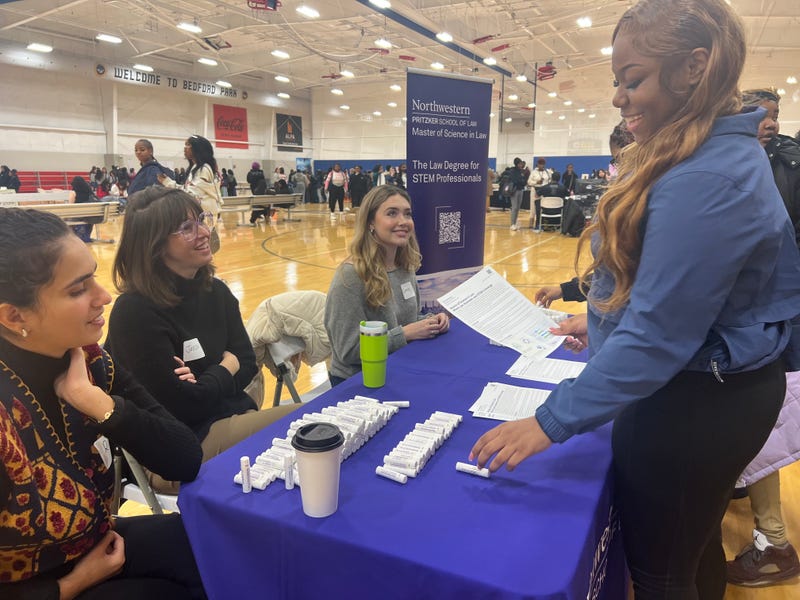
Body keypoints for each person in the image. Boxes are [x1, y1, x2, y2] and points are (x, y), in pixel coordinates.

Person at [470, 1, 800, 598]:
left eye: (634, 79)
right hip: (711, 388)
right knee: (692, 548)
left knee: (661, 572)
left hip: (695, 404)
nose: (619, 97)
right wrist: (599, 320)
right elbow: (686, 293)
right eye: (617, 81)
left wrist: (548, 422)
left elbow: (658, 336)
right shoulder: (708, 154)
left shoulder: (707, 176)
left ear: (694, 67)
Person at [0, 208, 205, 600]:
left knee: (214, 546)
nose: (104, 296)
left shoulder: (89, 359)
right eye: (78, 290)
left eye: (93, 277)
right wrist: (70, 584)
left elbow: (185, 457)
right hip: (36, 586)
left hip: (93, 541)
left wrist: (99, 404)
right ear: (13, 316)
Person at [106, 187, 297, 492]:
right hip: (177, 450)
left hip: (226, 417)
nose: (205, 232)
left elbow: (247, 362)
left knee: (313, 433)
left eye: (201, 220)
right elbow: (182, 407)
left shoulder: (216, 291)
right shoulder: (135, 312)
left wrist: (204, 384)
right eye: (187, 228)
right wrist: (224, 367)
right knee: (306, 422)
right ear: (155, 245)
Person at [724, 88, 800, 587]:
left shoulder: (785, 166)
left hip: (773, 319)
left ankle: (775, 543)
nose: (768, 123)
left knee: (766, 422)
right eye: (759, 115)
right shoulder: (739, 163)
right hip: (758, 317)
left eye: (773, 116)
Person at [324, 185, 450, 387]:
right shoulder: (350, 276)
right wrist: (406, 334)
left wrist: (431, 322)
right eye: (392, 213)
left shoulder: (405, 268)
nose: (403, 221)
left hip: (400, 367)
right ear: (370, 222)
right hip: (359, 381)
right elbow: (348, 351)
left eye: (407, 214)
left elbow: (407, 320)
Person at [161, 135, 222, 216]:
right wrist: (167, 182)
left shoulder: (203, 169)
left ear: (198, 148)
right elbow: (188, 190)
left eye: (188, 145)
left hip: (205, 216)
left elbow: (191, 195)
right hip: (200, 214)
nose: (185, 148)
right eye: (185, 144)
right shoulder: (196, 168)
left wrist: (168, 184)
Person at [68, 175, 99, 243]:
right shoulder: (90, 192)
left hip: (78, 217)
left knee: (65, 220)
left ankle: (71, 238)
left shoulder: (73, 193)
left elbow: (70, 207)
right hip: (90, 217)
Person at [508, 157, 528, 230]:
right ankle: (512, 224)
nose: (521, 165)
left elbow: (524, 180)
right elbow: (515, 180)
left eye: (521, 164)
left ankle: (515, 222)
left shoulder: (521, 171)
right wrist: (521, 181)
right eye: (519, 164)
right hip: (514, 190)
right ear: (516, 164)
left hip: (521, 190)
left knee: (518, 208)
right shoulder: (512, 171)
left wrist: (522, 181)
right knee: (514, 207)